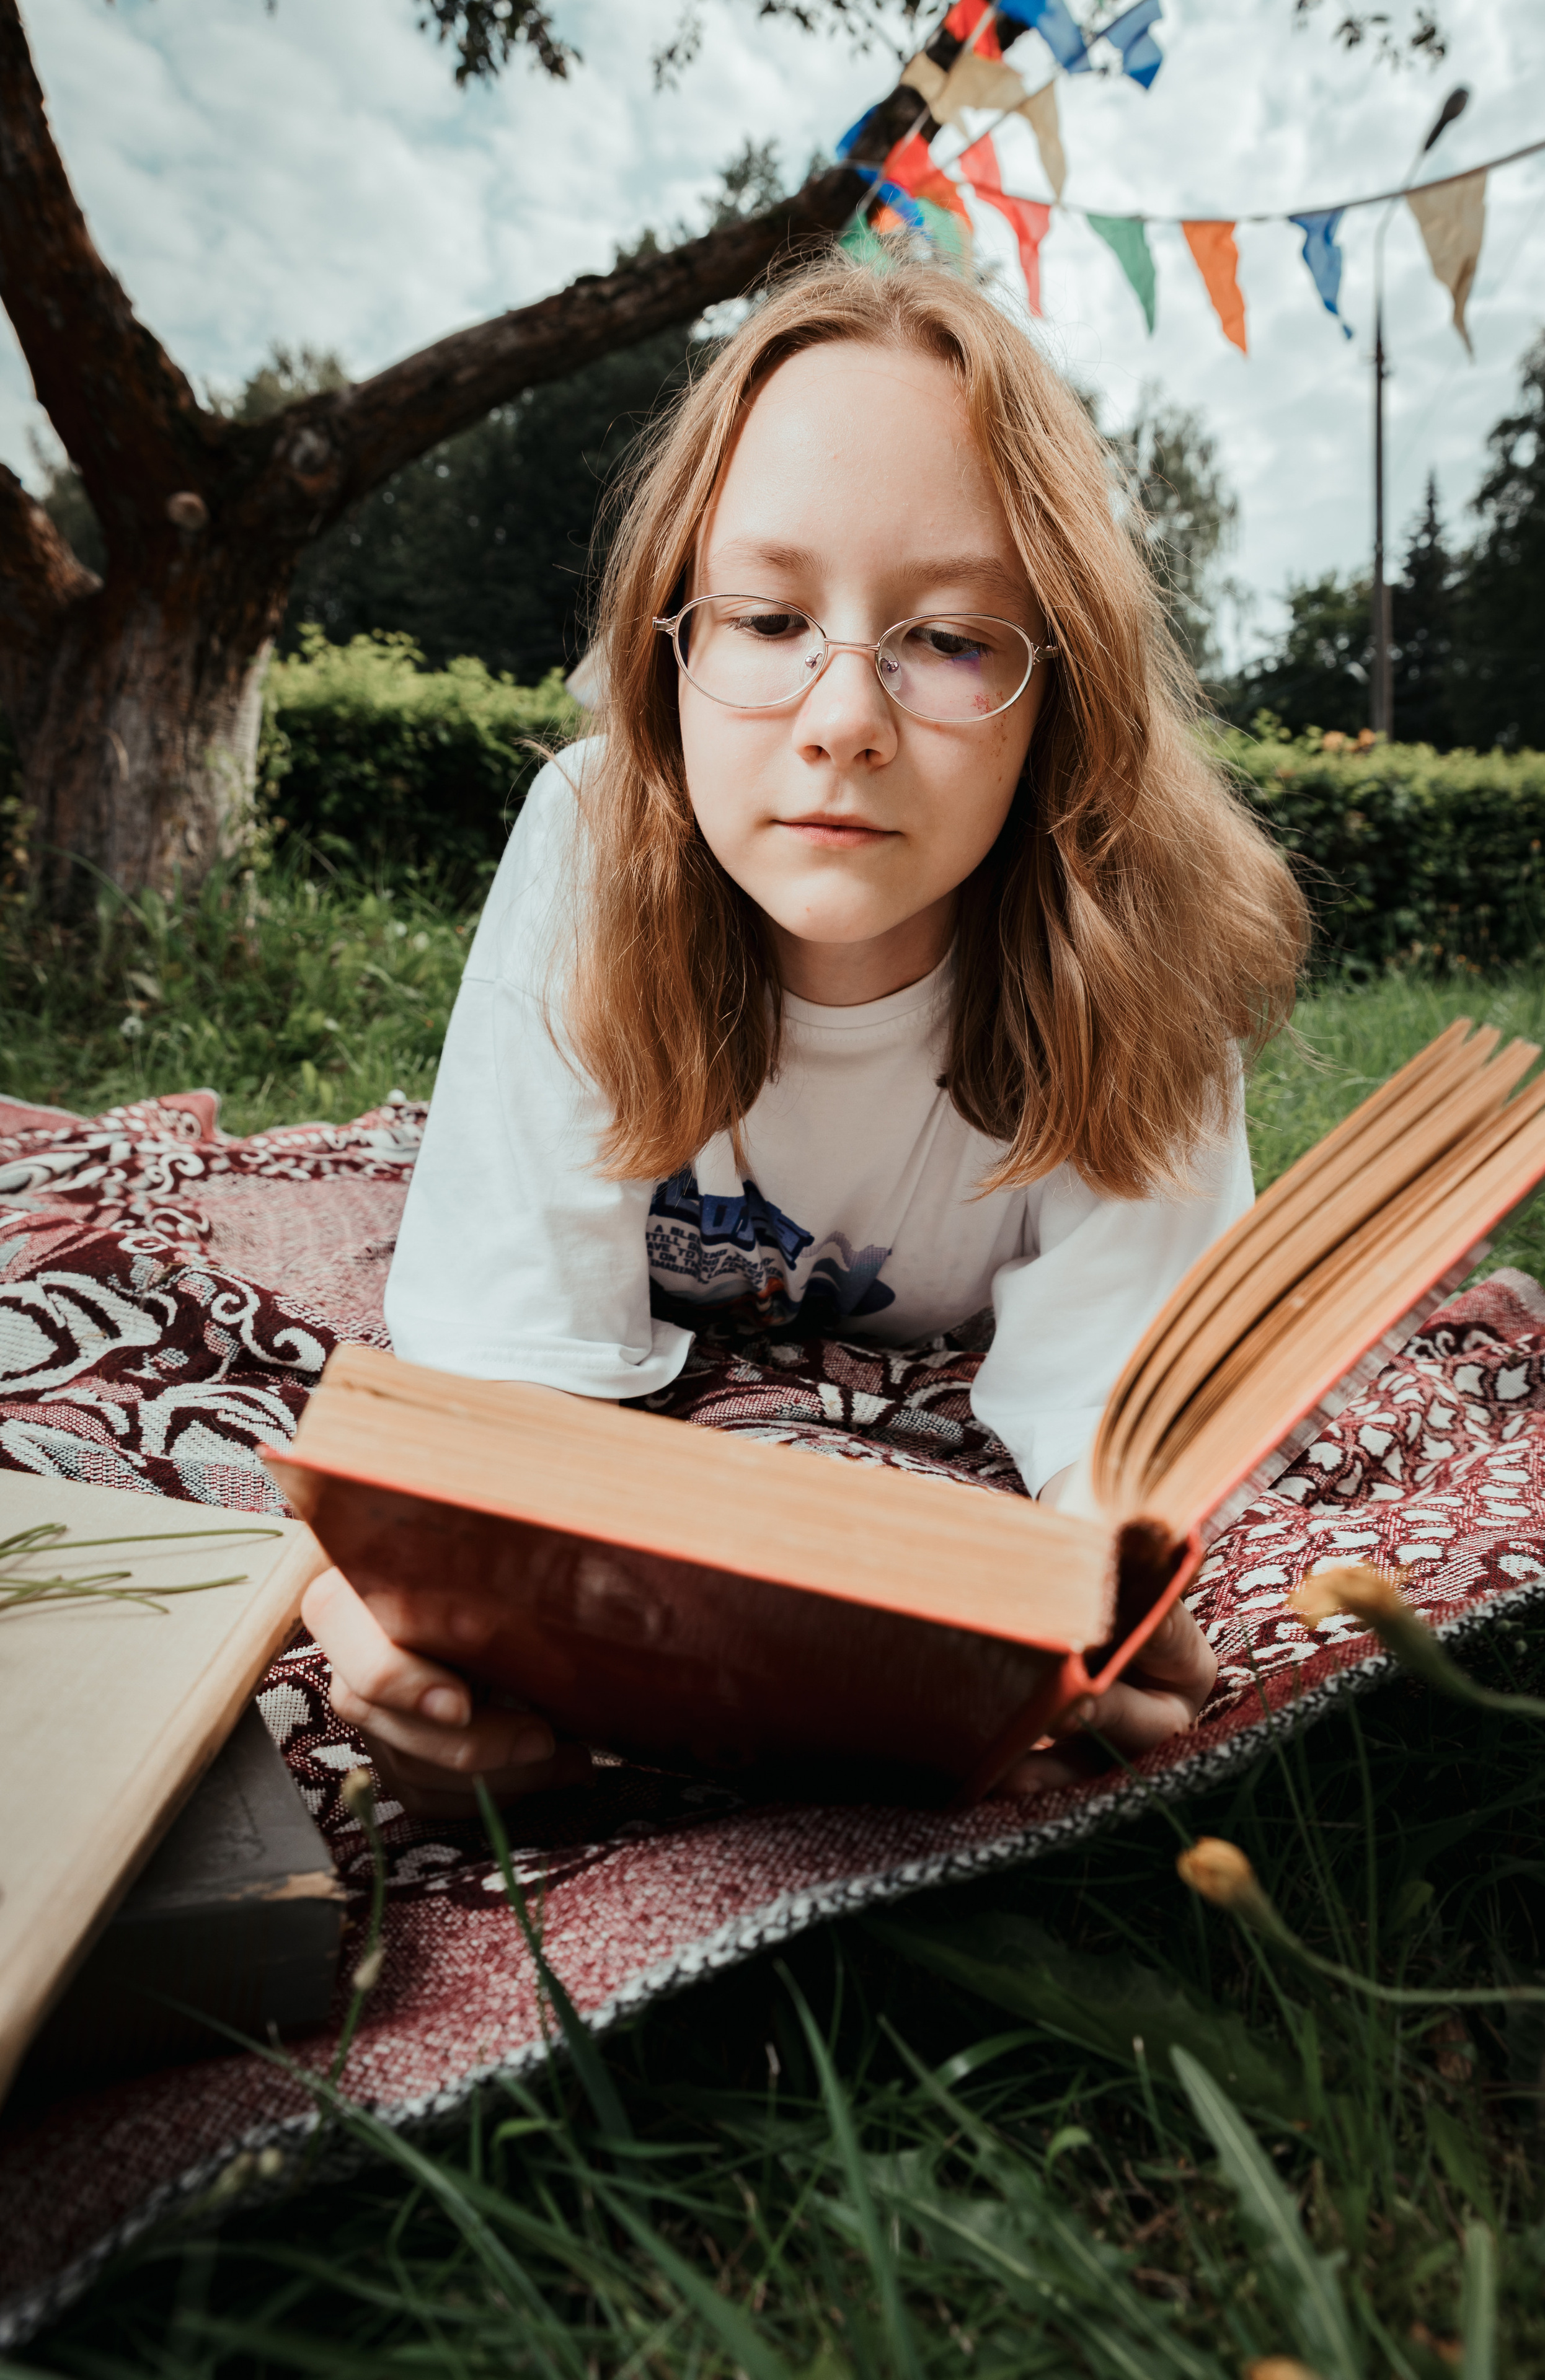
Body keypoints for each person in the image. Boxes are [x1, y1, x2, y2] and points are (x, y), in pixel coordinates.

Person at [302, 253, 1308, 1813]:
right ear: (668, 648)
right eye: (769, 618)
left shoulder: (1136, 931)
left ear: (1063, 693)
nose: (843, 720)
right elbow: (505, 1384)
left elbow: (1122, 1438)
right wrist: (427, 1634)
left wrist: (1106, 1611)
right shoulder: (589, 839)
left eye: (952, 639)